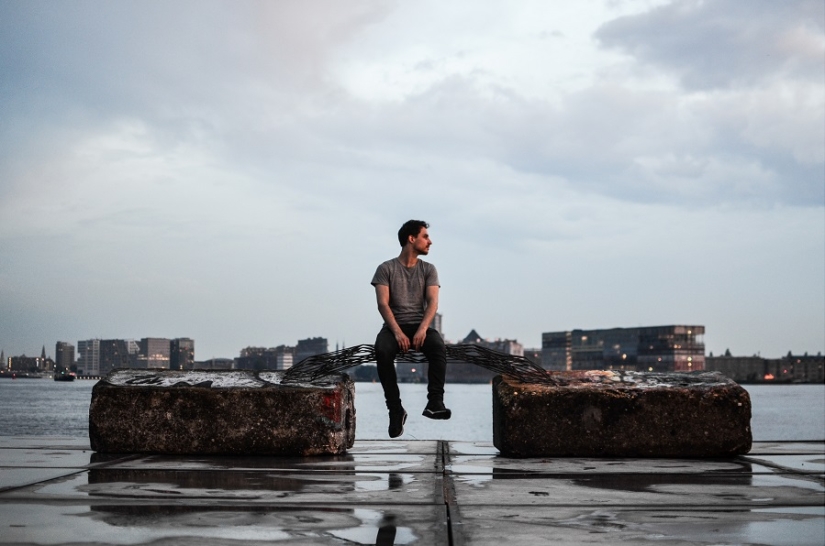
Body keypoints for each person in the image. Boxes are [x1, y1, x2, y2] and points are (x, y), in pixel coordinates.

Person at [371, 219, 450, 438]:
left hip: (419, 324)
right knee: (383, 351)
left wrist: (423, 329)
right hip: (392, 326)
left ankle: (435, 402)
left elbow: (433, 303)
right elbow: (382, 304)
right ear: (411, 238)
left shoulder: (429, 270)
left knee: (438, 346)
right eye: (425, 236)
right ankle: (395, 410)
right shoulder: (385, 269)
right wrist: (397, 332)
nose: (430, 241)